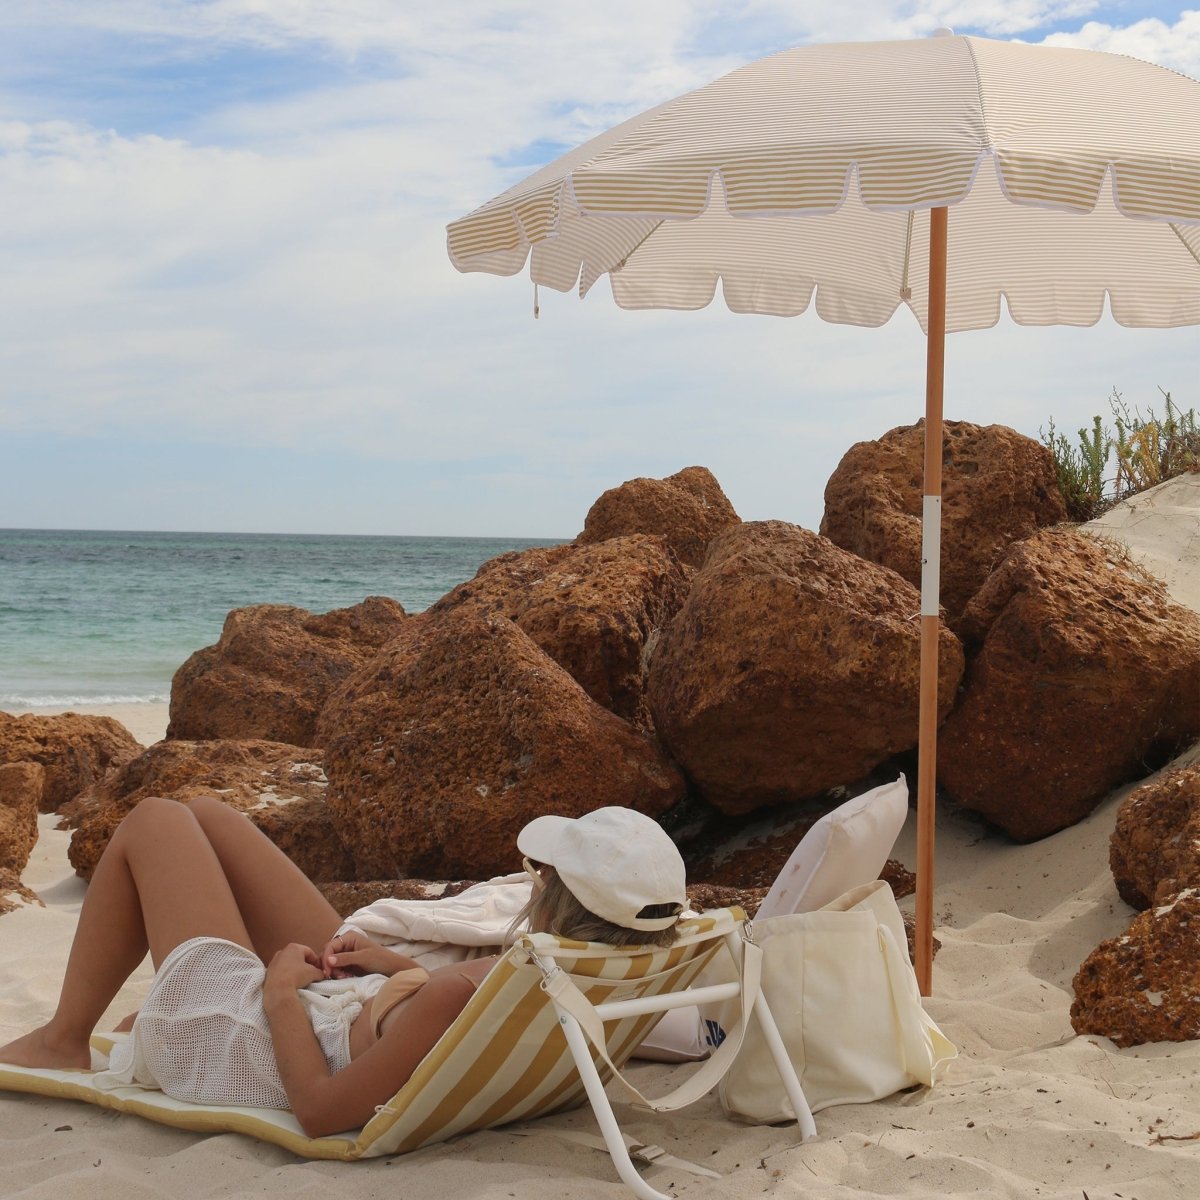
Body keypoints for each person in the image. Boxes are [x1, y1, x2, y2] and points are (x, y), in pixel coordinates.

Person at [0, 796, 686, 1137]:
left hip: (246, 1045)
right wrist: (393, 973)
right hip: (347, 1007)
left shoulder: (468, 988)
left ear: (553, 897)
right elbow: (426, 1030)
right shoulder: (595, 969)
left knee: (155, 820)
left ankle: (63, 1040)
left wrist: (274, 992)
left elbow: (323, 1113)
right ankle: (136, 1015)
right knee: (207, 814)